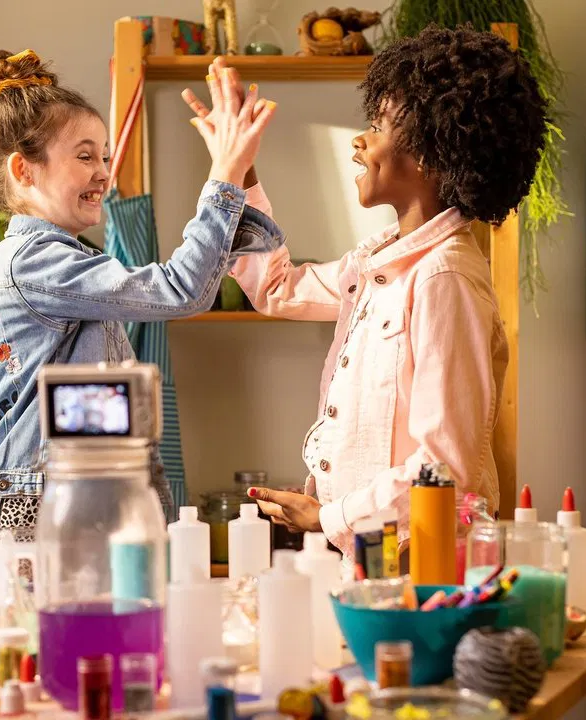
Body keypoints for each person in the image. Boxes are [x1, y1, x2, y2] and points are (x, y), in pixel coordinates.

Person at [195, 26, 546, 567]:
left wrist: (328, 517)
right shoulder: (379, 266)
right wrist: (236, 166)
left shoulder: (443, 278)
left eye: (379, 126)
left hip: (421, 567)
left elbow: (444, 468)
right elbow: (276, 288)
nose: (360, 140)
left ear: (429, 153)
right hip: (376, 557)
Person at [0, 49, 281, 534]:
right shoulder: (35, 263)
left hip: (63, 492)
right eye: (85, 156)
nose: (103, 171)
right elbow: (182, 289)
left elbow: (205, 273)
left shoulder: (66, 262)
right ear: (24, 170)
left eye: (105, 157)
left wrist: (239, 168)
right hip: (33, 503)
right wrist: (224, 172)